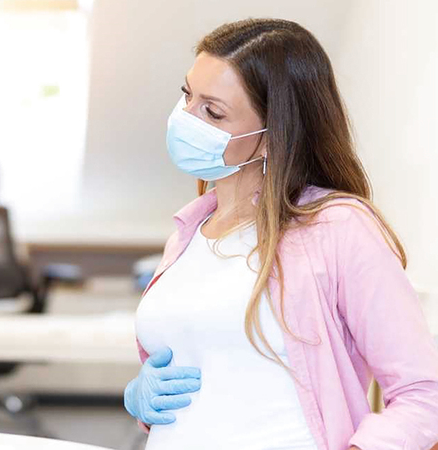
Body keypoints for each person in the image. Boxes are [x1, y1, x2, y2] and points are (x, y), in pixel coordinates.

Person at [124, 18, 438, 450]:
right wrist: (143, 401)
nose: (185, 118)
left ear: (274, 135)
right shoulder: (189, 230)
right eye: (187, 95)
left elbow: (424, 395)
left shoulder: (337, 227)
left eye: (212, 112)